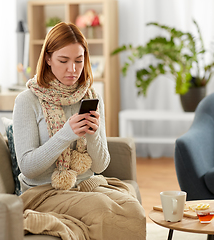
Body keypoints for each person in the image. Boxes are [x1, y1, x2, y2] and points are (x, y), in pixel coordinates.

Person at [13, 22, 146, 240]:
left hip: (85, 185)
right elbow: (28, 167)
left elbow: (101, 165)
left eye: (79, 60)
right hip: (44, 192)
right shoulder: (28, 101)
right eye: (63, 61)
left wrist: (92, 134)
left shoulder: (90, 96)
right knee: (103, 209)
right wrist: (66, 135)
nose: (72, 69)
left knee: (134, 209)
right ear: (47, 59)